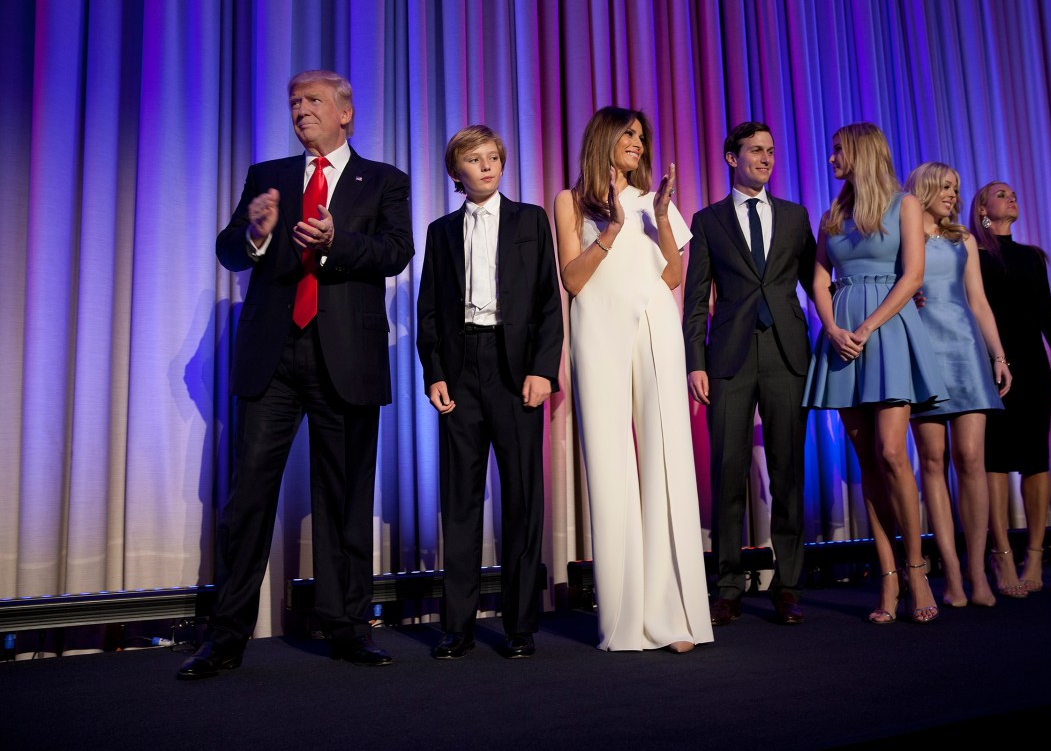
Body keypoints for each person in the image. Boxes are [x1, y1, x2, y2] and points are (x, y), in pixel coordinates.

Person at [179, 70, 413, 679]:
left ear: (346, 113)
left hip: (346, 357)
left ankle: (348, 629)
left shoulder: (384, 181)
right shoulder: (269, 177)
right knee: (248, 499)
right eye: (293, 103)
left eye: (312, 101)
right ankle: (226, 636)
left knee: (344, 499)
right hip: (274, 358)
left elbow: (395, 251)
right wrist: (255, 235)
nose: (300, 111)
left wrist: (338, 242)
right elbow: (228, 248)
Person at [553, 106, 713, 653]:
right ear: (603, 138)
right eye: (629, 134)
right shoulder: (571, 202)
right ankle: (623, 618)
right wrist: (615, 229)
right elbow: (573, 280)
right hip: (598, 331)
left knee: (666, 458)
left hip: (654, 325)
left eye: (642, 137)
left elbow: (672, 276)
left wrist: (661, 217)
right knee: (609, 463)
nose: (638, 144)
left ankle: (669, 615)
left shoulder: (653, 203)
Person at [416, 126, 563, 660]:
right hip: (461, 370)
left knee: (523, 497)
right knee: (460, 501)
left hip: (515, 368)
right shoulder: (440, 231)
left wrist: (543, 370)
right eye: (474, 159)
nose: (487, 166)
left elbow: (549, 301)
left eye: (494, 156)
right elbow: (428, 310)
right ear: (456, 172)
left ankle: (520, 624)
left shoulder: (530, 220)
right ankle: (457, 626)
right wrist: (435, 373)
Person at [805, 123, 946, 625]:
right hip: (842, 338)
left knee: (892, 453)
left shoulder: (905, 205)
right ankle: (887, 575)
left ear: (862, 152)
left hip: (886, 331)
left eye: (838, 150)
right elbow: (819, 280)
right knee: (867, 459)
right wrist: (833, 327)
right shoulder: (833, 215)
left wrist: (865, 325)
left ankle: (916, 568)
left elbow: (912, 276)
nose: (831, 159)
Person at [683, 121, 815, 626]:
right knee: (727, 471)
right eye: (756, 150)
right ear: (731, 157)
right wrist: (696, 361)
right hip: (729, 360)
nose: (766, 158)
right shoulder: (707, 220)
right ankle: (728, 586)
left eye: (771, 151)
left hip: (787, 355)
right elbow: (696, 300)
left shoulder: (796, 216)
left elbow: (819, 282)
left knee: (788, 472)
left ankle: (788, 585)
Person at [904, 163, 1010, 608]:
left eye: (957, 189)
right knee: (932, 461)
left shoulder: (963, 239)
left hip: (966, 351)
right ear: (926, 188)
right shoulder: (903, 235)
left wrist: (999, 355)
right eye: (946, 187)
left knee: (971, 458)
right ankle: (949, 572)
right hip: (922, 351)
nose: (953, 195)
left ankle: (977, 570)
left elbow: (979, 301)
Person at [969, 182, 1051, 596]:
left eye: (1014, 193)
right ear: (982, 208)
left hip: (1031, 366)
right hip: (989, 364)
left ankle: (1035, 553)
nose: (1011, 197)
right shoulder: (972, 254)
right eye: (1000, 193)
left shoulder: (1032, 257)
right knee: (994, 459)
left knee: (1034, 458)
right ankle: (1001, 555)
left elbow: (1047, 312)